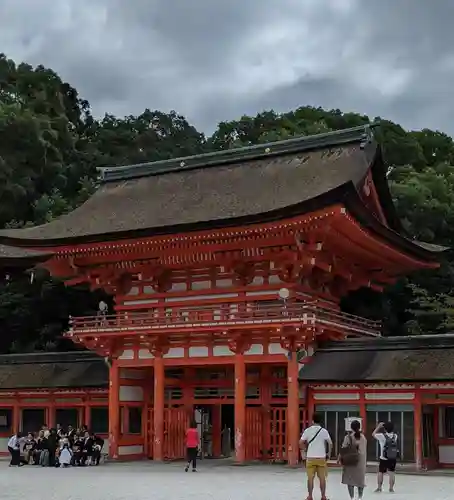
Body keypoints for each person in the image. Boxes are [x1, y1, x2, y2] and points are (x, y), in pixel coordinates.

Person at [300, 414, 332, 500]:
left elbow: (300, 442)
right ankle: (323, 496)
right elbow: (330, 443)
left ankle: (310, 496)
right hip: (321, 457)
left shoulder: (307, 430)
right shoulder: (324, 431)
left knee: (310, 478)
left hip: (310, 458)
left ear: (312, 421)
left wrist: (304, 451)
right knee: (322, 478)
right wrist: (329, 453)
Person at [340, 420, 367, 500]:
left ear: (351, 427)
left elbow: (343, 449)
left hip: (350, 461)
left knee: (350, 480)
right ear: (359, 427)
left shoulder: (348, 437)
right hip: (361, 462)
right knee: (360, 480)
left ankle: (352, 498)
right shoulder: (363, 438)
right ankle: (360, 497)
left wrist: (339, 459)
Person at [372, 421, 399, 493]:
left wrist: (378, 426)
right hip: (392, 457)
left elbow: (373, 434)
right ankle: (391, 488)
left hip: (383, 458)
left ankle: (379, 488)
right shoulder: (395, 436)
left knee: (381, 472)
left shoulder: (381, 436)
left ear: (385, 429)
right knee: (392, 473)